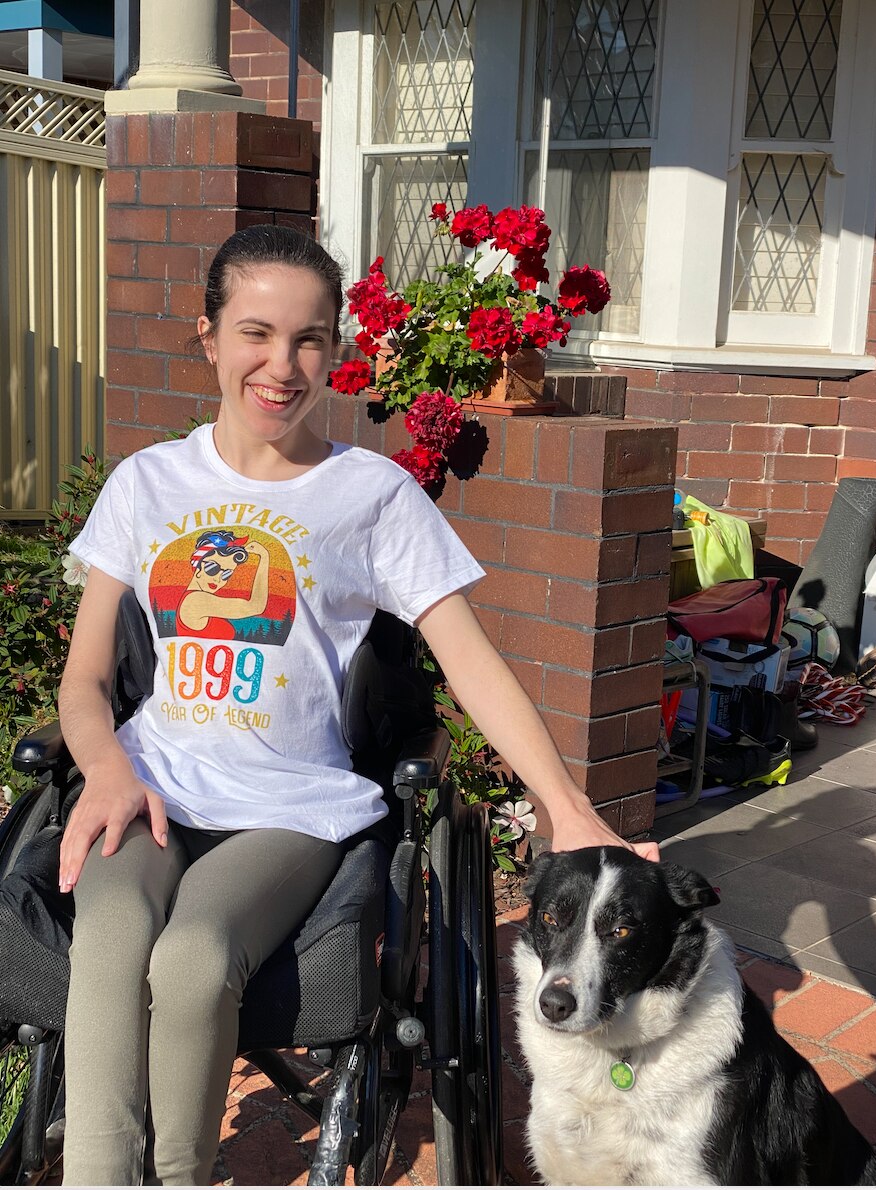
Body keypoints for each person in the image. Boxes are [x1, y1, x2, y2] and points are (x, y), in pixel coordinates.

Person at [57, 223, 659, 1186]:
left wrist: (568, 806)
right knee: (111, 934)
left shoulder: (369, 495)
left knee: (194, 957)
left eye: (309, 339)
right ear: (209, 339)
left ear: (336, 350)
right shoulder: (148, 484)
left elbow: (472, 660)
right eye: (255, 333)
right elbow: (85, 678)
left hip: (290, 806)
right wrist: (105, 769)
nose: (281, 365)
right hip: (153, 784)